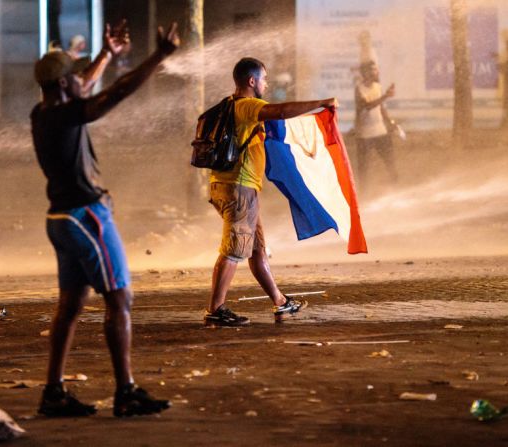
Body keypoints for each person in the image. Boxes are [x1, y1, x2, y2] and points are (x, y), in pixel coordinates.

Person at [30, 21, 180, 418]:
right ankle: (126, 391)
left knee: (71, 305)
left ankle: (54, 392)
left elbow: (84, 85)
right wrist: (159, 56)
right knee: (119, 298)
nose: (85, 78)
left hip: (60, 219)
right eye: (76, 75)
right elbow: (117, 91)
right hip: (86, 217)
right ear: (64, 85)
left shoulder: (42, 113)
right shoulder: (67, 116)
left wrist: (106, 55)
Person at [204, 57, 337, 327]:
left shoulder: (228, 105)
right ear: (251, 81)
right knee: (234, 249)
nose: (266, 83)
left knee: (256, 250)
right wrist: (320, 103)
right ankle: (215, 310)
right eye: (264, 78)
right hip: (239, 188)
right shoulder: (248, 106)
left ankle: (280, 302)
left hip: (229, 185)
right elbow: (281, 111)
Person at [354, 60, 398, 184]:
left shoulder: (378, 87)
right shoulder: (359, 89)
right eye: (372, 69)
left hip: (380, 131)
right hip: (364, 134)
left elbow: (381, 107)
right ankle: (364, 195)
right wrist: (386, 96)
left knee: (390, 163)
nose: (376, 72)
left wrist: (390, 122)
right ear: (365, 72)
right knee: (364, 169)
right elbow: (367, 106)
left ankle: (395, 188)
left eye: (376, 69)